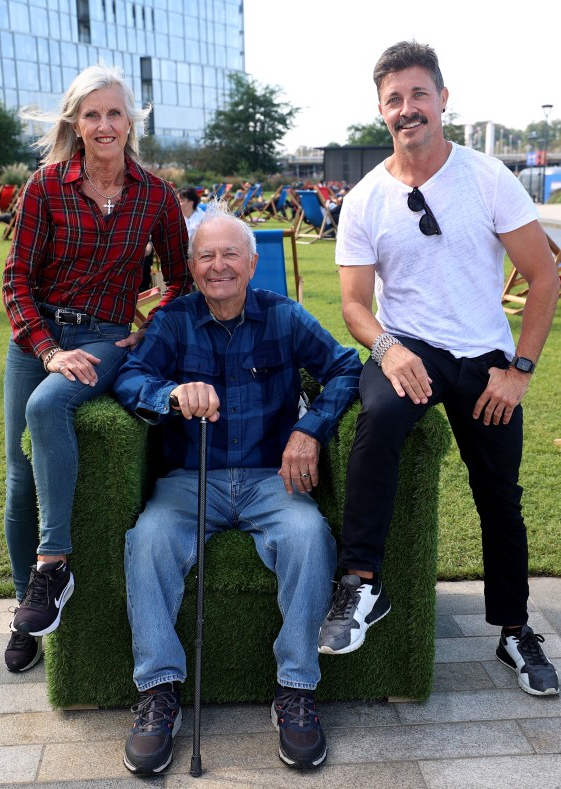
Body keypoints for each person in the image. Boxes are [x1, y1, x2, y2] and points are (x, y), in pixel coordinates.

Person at [317, 40, 561, 697]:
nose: (407, 108)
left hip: (483, 355)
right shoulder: (366, 197)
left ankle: (514, 629)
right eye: (394, 99)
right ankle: (360, 584)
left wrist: (520, 369)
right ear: (380, 111)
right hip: (410, 345)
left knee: (498, 495)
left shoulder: (485, 177)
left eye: (418, 94)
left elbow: (543, 278)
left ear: (442, 99)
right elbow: (351, 301)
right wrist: (387, 348)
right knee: (381, 413)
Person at [112, 201, 362, 775]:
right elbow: (130, 377)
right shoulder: (172, 320)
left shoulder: (285, 315)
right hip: (187, 480)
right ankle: (158, 693)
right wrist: (170, 395)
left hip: (269, 478)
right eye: (206, 256)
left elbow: (346, 368)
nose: (218, 266)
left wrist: (309, 429)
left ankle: (296, 689)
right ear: (192, 266)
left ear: (252, 264)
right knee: (148, 540)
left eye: (230, 255)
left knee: (308, 536)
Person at [1, 63, 192, 675]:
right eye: (92, 115)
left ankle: (53, 567)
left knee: (45, 407)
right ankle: (25, 612)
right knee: (17, 475)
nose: (104, 125)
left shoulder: (156, 196)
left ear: (130, 122)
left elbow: (182, 280)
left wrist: (148, 330)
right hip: (39, 338)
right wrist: (48, 349)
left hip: (109, 335)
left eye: (115, 113)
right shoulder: (46, 186)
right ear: (75, 124)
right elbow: (16, 280)